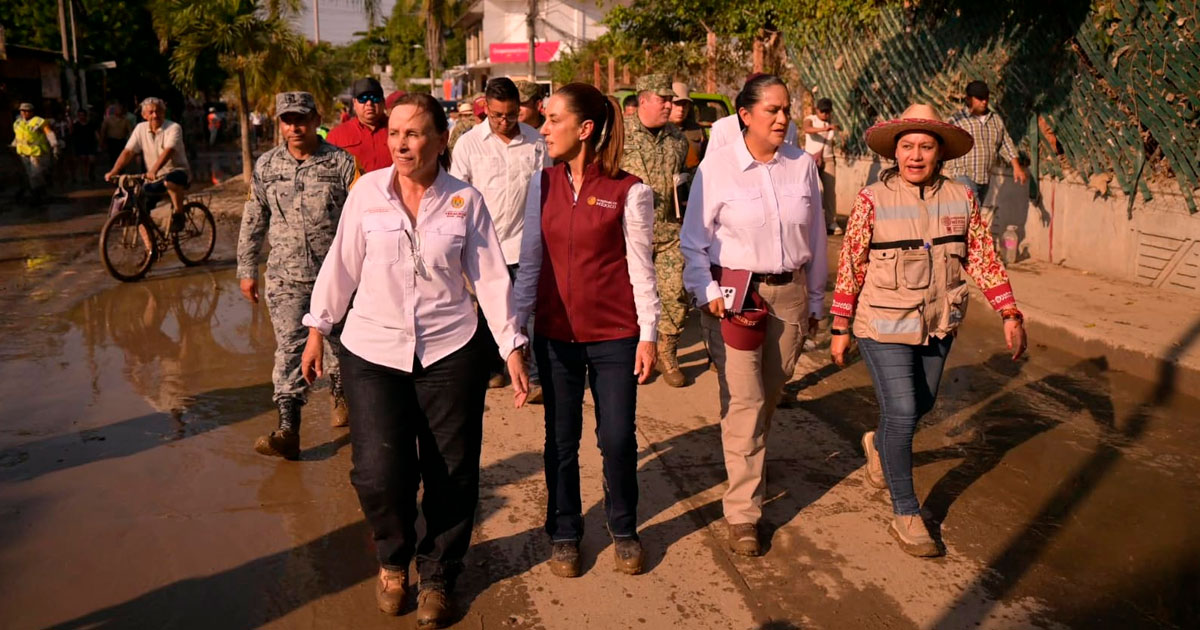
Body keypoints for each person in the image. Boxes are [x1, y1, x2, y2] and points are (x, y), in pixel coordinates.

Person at [300, 93, 529, 628]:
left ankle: (439, 574)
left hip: (450, 348)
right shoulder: (366, 194)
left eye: (415, 133)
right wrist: (317, 329)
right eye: (396, 133)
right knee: (379, 472)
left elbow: (492, 278)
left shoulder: (465, 201)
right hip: (372, 350)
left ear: (440, 140)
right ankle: (392, 559)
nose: (403, 143)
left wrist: (512, 346)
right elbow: (341, 265)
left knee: (451, 471)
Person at [829, 103, 1028, 557]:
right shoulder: (871, 200)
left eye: (925, 146)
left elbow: (981, 256)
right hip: (881, 322)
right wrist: (840, 325)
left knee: (923, 403)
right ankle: (906, 511)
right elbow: (851, 263)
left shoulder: (962, 197)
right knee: (901, 409)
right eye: (906, 147)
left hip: (940, 321)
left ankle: (877, 444)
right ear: (894, 153)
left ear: (940, 153)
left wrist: (1009, 313)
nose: (915, 155)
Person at [513, 82, 660, 578]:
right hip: (555, 338)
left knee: (616, 438)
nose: (544, 127)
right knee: (560, 440)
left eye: (553, 118)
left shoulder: (629, 189)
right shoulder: (543, 184)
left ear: (585, 129)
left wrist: (649, 333)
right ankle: (565, 532)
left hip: (615, 337)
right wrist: (515, 332)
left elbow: (642, 268)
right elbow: (530, 263)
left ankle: (623, 527)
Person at [680, 74, 827, 557]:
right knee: (744, 400)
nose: (783, 118)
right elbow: (693, 240)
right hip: (737, 297)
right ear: (745, 115)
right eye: (773, 110)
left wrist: (817, 300)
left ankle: (749, 458)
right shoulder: (717, 168)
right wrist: (704, 291)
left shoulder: (802, 165)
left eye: (787, 109)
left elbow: (819, 237)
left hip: (789, 295)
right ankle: (744, 511)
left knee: (769, 391)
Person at [236, 91, 357, 459]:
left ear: (316, 119)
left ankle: (341, 394)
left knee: (339, 344)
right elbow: (254, 217)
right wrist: (247, 268)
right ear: (280, 124)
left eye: (302, 118)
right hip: (285, 278)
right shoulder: (267, 166)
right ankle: (289, 428)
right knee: (289, 349)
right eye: (288, 120)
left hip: (335, 276)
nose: (295, 127)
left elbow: (361, 220)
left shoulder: (341, 163)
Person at [450, 77, 551, 396]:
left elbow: (546, 191)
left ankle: (534, 377)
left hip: (525, 244)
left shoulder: (536, 142)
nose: (504, 122)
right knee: (485, 311)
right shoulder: (469, 143)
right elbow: (457, 194)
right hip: (482, 246)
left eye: (510, 114)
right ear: (486, 110)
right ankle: (493, 367)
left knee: (531, 311)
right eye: (497, 116)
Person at [620, 74, 690, 387]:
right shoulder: (620, 134)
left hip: (669, 232)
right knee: (628, 297)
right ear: (644, 100)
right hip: (628, 235)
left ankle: (667, 352)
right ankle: (633, 354)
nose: (669, 105)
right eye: (663, 99)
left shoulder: (678, 138)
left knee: (675, 293)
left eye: (670, 100)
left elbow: (683, 179)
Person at [946, 80, 1029, 234]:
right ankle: (974, 251)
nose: (984, 102)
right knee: (973, 212)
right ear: (969, 99)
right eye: (979, 98)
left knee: (971, 216)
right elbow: (945, 143)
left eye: (986, 98)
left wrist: (1017, 167)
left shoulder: (995, 120)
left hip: (984, 176)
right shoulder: (957, 121)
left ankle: (966, 249)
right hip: (963, 174)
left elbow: (1005, 143)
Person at [105, 98, 191, 223]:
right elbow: (128, 151)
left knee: (170, 181)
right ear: (144, 115)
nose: (155, 115)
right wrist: (114, 171)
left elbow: (169, 151)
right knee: (139, 210)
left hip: (177, 171)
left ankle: (179, 214)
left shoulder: (174, 128)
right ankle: (150, 242)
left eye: (158, 111)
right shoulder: (140, 128)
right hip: (155, 178)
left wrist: (153, 170)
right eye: (151, 112)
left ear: (163, 112)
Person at [326, 77, 391, 172]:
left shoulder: (398, 130)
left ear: (383, 102)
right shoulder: (337, 135)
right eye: (363, 99)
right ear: (354, 103)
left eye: (375, 98)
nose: (369, 103)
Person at [803, 97, 841, 234]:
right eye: (822, 111)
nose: (825, 114)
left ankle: (831, 221)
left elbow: (836, 141)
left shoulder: (832, 123)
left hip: (828, 158)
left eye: (827, 111)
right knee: (810, 190)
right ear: (817, 110)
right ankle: (808, 219)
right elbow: (806, 129)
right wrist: (825, 128)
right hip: (811, 158)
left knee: (830, 191)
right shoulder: (811, 118)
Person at [11, 102, 59, 204]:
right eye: (22, 111)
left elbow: (49, 133)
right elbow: (18, 136)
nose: (24, 113)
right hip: (23, 153)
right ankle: (38, 194)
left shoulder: (39, 121)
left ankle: (38, 194)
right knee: (30, 175)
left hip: (37, 152)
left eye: (26, 111)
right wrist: (13, 146)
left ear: (31, 112)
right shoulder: (18, 123)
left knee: (35, 174)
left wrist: (54, 145)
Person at [70, 108, 100, 183]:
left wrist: (99, 142)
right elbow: (72, 134)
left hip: (90, 144)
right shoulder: (76, 125)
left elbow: (96, 133)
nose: (81, 117)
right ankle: (85, 177)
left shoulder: (91, 124)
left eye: (83, 115)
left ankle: (90, 173)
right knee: (83, 161)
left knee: (91, 160)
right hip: (80, 145)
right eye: (79, 115)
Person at [100, 103, 133, 169]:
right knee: (113, 158)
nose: (119, 111)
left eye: (120, 109)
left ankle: (121, 171)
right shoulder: (108, 119)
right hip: (112, 141)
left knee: (122, 157)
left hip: (122, 141)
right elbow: (103, 131)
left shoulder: (126, 120)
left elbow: (131, 132)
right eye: (117, 109)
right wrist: (102, 142)